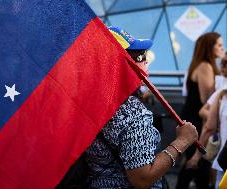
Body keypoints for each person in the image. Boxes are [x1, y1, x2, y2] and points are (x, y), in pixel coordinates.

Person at [85, 26, 199, 189]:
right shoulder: (133, 114)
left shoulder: (88, 100)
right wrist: (181, 142)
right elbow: (142, 179)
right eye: (140, 56)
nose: (146, 61)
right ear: (121, 64)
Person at [176, 32, 225, 189]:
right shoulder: (205, 66)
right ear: (209, 47)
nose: (222, 48)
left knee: (193, 160)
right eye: (219, 44)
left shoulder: (202, 64)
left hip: (193, 118)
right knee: (198, 162)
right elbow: (206, 101)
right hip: (196, 121)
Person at [187, 55, 227, 189]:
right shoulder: (222, 92)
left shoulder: (223, 92)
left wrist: (196, 156)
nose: (222, 67)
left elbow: (209, 126)